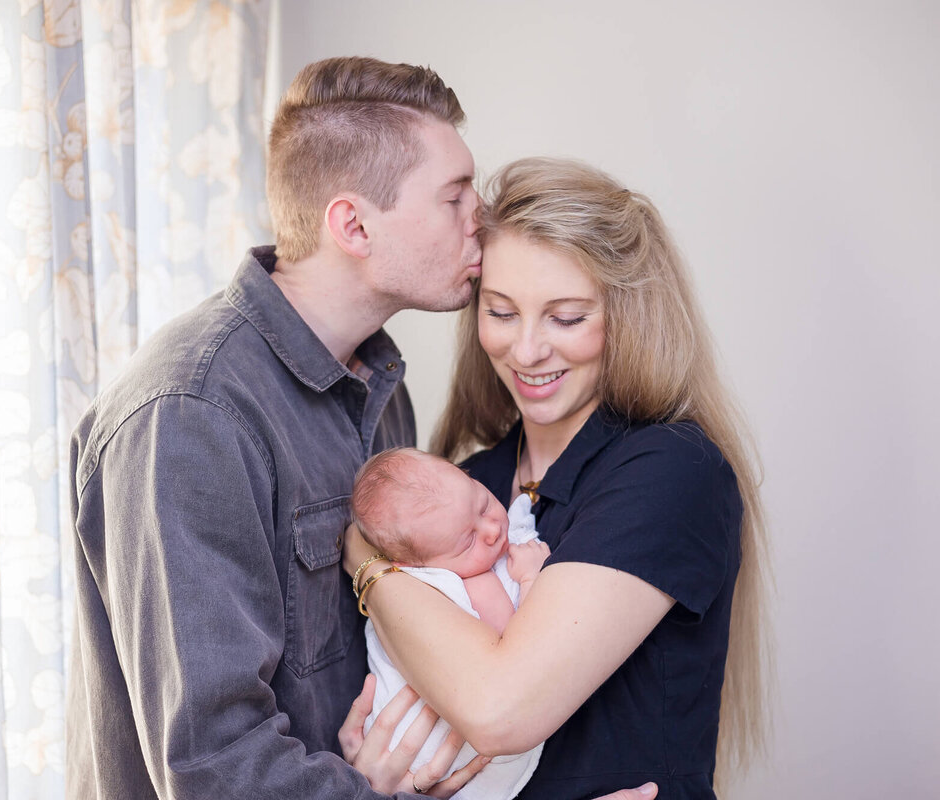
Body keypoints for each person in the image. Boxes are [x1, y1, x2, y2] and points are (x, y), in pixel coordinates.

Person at [66, 53, 658, 800]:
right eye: (452, 196)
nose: (479, 214)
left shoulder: (377, 388)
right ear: (352, 223)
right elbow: (216, 768)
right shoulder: (191, 415)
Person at [344, 157, 771, 799]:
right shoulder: (470, 483)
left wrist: (364, 559)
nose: (527, 350)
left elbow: (497, 709)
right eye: (502, 311)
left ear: (626, 318)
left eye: (567, 318)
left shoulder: (670, 472)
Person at [350, 447, 549, 799]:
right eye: (468, 540)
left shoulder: (432, 551)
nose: (491, 529)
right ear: (412, 564)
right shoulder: (470, 584)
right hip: (429, 751)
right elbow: (521, 650)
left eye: (483, 504)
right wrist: (533, 579)